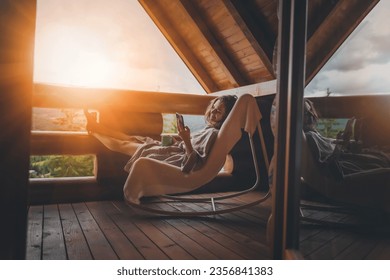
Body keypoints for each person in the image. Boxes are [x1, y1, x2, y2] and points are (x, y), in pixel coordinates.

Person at [85, 95, 237, 174]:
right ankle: (97, 126)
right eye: (213, 107)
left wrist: (186, 141)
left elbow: (194, 164)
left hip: (173, 156)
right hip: (174, 147)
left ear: (226, 117)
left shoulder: (213, 134)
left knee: (124, 144)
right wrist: (179, 139)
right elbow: (189, 145)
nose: (212, 112)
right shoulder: (208, 130)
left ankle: (94, 132)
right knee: (133, 138)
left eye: (218, 111)